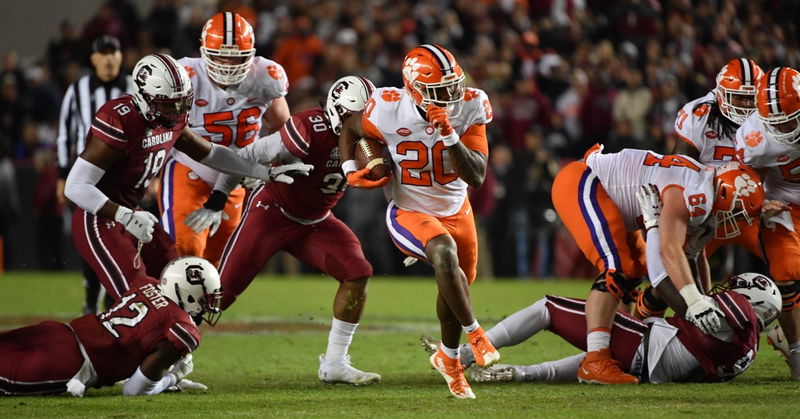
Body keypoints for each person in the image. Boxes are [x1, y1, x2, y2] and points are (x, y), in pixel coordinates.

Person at [64, 53, 312, 303]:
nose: (178, 110)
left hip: (132, 211)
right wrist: (123, 215)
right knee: (139, 299)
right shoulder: (120, 120)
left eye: (182, 102)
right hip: (99, 216)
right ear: (144, 97)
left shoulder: (170, 116)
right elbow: (75, 186)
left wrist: (264, 172)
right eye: (168, 103)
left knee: (180, 281)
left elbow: (212, 154)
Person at [191, 76, 380, 385]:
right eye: (356, 117)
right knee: (220, 293)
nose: (363, 125)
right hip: (272, 214)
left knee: (357, 271)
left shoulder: (373, 138)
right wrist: (218, 197)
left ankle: (334, 363)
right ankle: (166, 358)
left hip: (316, 220)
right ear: (338, 112)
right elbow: (247, 157)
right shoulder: (307, 128)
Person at [338, 44, 497, 399]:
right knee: (443, 253)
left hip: (458, 210)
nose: (452, 97)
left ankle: (449, 359)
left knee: (454, 285)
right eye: (441, 92)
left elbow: (476, 176)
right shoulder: (388, 107)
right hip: (409, 210)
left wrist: (450, 134)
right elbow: (349, 127)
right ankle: (476, 334)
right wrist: (351, 169)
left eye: (454, 86)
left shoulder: (471, 104)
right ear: (415, 90)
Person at [550, 144, 764, 384]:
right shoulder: (695, 193)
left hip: (610, 196)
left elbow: (692, 256)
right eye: (736, 212)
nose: (733, 220)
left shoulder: (703, 187)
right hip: (583, 180)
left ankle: (619, 350)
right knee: (617, 266)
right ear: (724, 192)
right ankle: (596, 359)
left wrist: (705, 301)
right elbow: (668, 253)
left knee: (633, 271)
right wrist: (694, 302)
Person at [421, 272, 781, 384]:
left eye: (736, 291)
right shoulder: (747, 349)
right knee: (598, 352)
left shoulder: (743, 313)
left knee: (548, 308)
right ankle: (520, 375)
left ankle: (465, 355)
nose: (725, 293)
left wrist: (658, 231)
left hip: (647, 345)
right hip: (654, 364)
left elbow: (688, 300)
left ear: (753, 303)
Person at [160, 12, 291, 267]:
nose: (228, 64)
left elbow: (283, 130)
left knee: (218, 258)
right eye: (221, 55)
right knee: (185, 248)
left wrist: (266, 165)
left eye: (236, 56)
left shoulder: (267, 77)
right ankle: (172, 305)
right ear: (203, 50)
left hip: (236, 179)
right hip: (190, 168)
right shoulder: (186, 75)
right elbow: (164, 132)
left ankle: (199, 307)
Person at [0, 256, 222, 396]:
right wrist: (173, 377)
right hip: (69, 363)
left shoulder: (148, 285)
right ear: (189, 294)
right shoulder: (180, 329)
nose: (209, 305)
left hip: (59, 332)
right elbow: (134, 390)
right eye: (206, 298)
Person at [664, 58, 765, 297]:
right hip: (706, 205)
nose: (747, 105)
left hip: (750, 207)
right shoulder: (698, 116)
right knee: (674, 276)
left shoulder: (767, 118)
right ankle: (645, 316)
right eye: (740, 97)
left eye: (752, 98)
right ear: (722, 94)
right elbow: (678, 170)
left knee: (785, 264)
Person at [55, 35, 132, 314]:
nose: (110, 58)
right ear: (94, 58)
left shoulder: (135, 86)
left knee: (125, 235)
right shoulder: (78, 89)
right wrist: (63, 175)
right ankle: (91, 298)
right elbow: (66, 132)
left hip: (127, 174)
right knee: (90, 235)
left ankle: (116, 300)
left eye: (115, 52)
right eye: (104, 53)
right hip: (87, 175)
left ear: (121, 56)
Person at [734, 66, 800, 380]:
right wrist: (759, 204)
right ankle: (798, 352)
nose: (783, 128)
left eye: (788, 118)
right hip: (784, 204)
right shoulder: (755, 136)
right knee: (785, 273)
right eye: (775, 121)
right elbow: (746, 180)